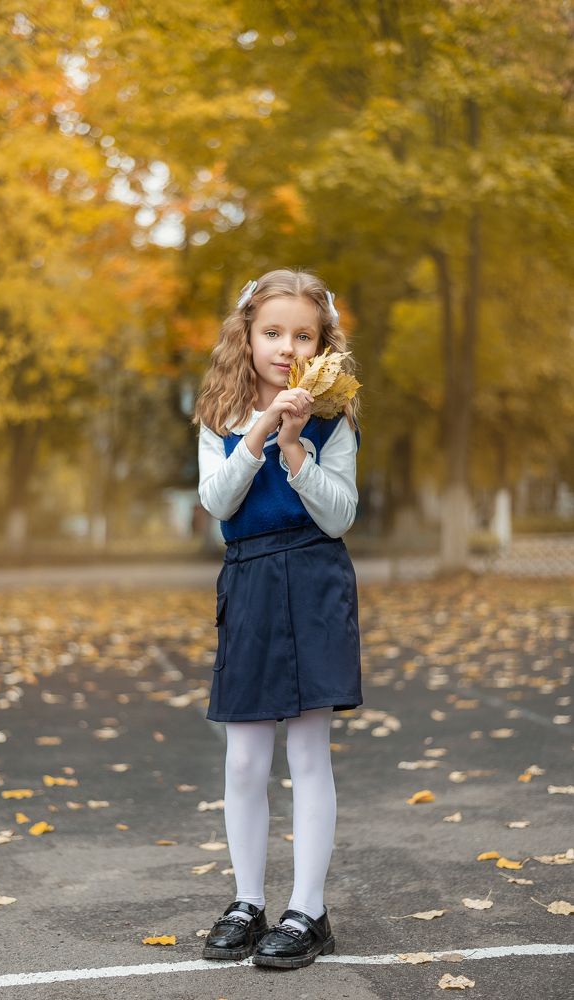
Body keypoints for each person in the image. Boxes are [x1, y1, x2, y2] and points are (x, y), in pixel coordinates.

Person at [191, 267, 363, 970]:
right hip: (252, 581)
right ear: (247, 336)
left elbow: (340, 513)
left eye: (302, 335)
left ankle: (307, 910)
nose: (285, 348)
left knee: (307, 753)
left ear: (322, 343)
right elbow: (217, 503)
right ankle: (246, 900)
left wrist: (296, 446)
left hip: (315, 579)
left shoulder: (334, 419)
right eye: (272, 333)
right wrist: (261, 428)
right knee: (244, 757)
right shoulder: (220, 416)